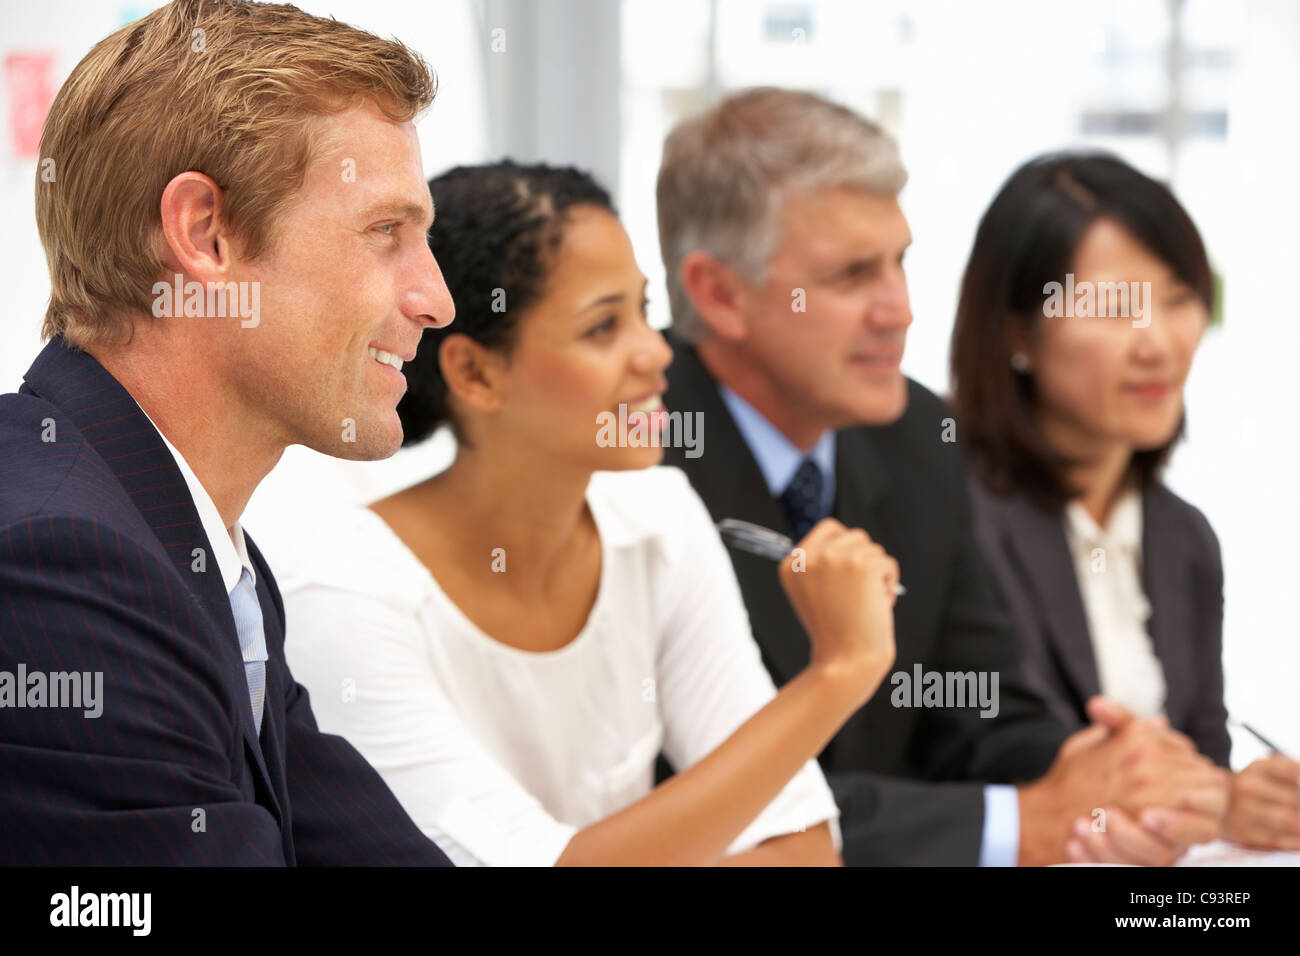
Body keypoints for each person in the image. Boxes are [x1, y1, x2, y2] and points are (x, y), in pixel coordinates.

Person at [655, 86, 1231, 865]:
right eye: (851, 275)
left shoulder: (918, 435)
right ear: (719, 293)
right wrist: (1026, 820)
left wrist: (1093, 773)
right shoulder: (634, 456)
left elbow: (981, 708)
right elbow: (716, 801)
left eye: (899, 263)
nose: (900, 310)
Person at [270, 160, 901, 866]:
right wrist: (837, 674)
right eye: (603, 327)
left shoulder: (658, 515)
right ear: (475, 373)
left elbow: (803, 845)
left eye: (643, 309)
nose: (657, 351)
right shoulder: (342, 591)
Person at [0, 0, 457, 864]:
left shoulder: (198, 557)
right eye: (385, 233)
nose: (436, 300)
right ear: (205, 235)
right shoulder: (60, 566)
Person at [951, 151, 1300, 856]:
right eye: (1115, 307)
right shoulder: (951, 511)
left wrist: (1237, 798)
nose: (1159, 344)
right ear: (1018, 331)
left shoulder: (1184, 538)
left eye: (1178, 298)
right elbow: (977, 759)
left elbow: (1200, 754)